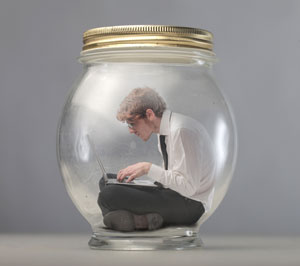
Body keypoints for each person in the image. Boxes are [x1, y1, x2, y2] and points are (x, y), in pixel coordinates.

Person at [98, 87, 216, 232]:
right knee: (106, 181)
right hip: (174, 193)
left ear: (149, 114)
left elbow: (189, 188)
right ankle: (141, 218)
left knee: (108, 195)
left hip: (191, 205)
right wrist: (145, 184)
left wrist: (148, 168)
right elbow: (171, 175)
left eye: (132, 123)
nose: (130, 130)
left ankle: (138, 220)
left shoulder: (181, 131)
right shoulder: (164, 131)